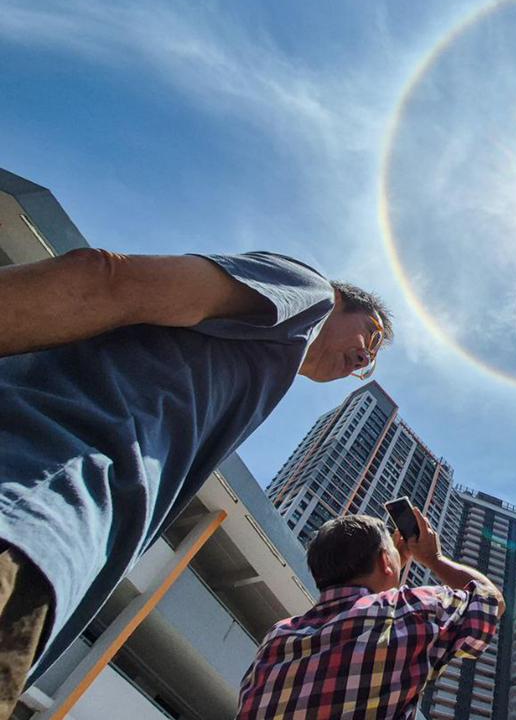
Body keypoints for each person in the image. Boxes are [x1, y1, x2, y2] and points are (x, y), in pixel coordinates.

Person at [0, 248, 393, 710]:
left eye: (371, 360)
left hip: (48, 547)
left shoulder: (256, 370)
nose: (365, 355)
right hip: (31, 501)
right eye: (370, 332)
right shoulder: (311, 293)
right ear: (343, 303)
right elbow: (105, 278)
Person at [237, 506, 503, 719]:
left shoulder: (278, 636)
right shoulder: (411, 609)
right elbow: (491, 602)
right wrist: (434, 558)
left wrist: (389, 567)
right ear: (386, 561)